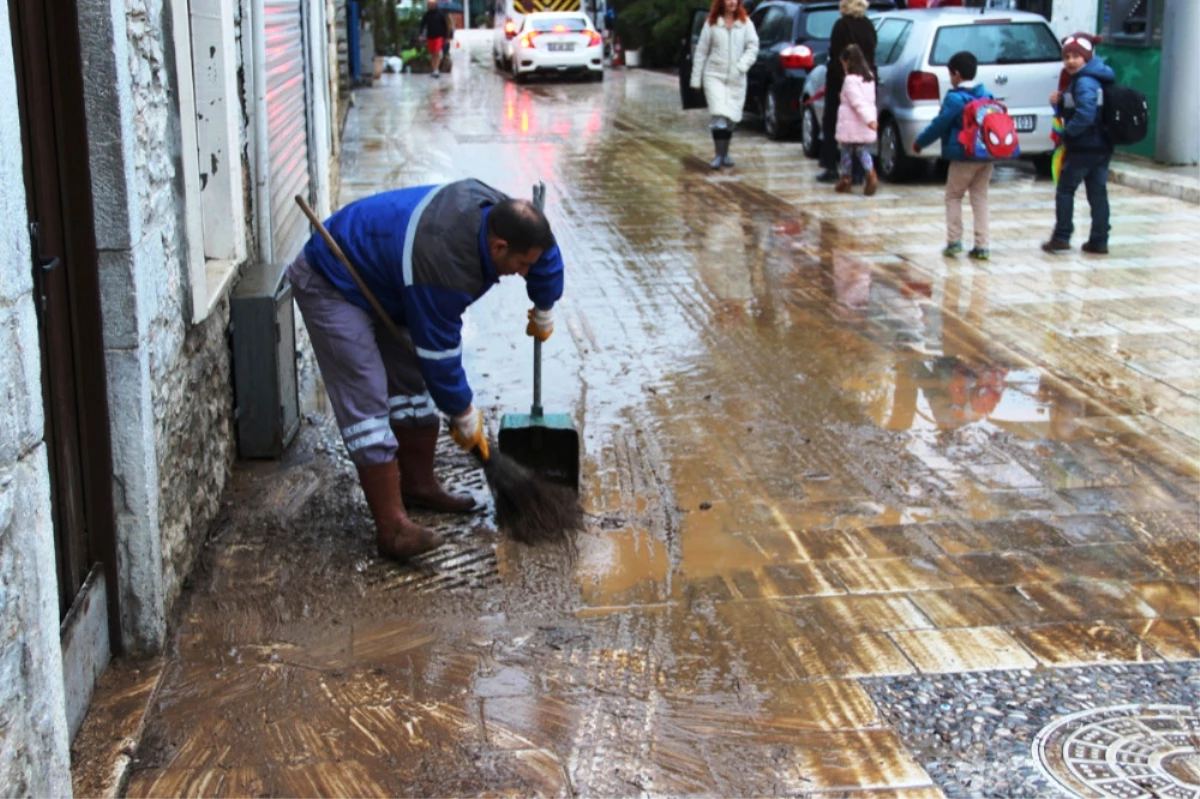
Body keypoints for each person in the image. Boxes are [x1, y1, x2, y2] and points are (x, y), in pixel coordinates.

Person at [287, 180, 564, 561]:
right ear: (498, 248)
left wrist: (545, 305)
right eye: (521, 265)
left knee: (410, 386)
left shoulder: (506, 219)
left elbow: (543, 254)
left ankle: (418, 485)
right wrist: (464, 415)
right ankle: (392, 529)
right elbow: (440, 356)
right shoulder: (445, 264)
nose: (523, 273)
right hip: (334, 279)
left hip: (393, 281)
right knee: (367, 398)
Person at [913, 51, 994, 261]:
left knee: (953, 196)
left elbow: (939, 125)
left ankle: (954, 241)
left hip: (963, 156)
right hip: (986, 155)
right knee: (980, 198)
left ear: (956, 74)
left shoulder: (955, 99)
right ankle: (982, 246)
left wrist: (920, 142)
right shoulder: (987, 95)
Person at [1042, 32, 1114, 255]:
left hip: (1085, 146)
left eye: (1076, 56)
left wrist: (1067, 134)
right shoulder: (1097, 76)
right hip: (1102, 145)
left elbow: (1086, 113)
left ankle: (1062, 236)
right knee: (1098, 193)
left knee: (1065, 189)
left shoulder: (1084, 81)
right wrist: (1063, 100)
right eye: (1067, 57)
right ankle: (1099, 241)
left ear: (1087, 57)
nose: (1071, 61)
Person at [689, 0, 759, 170]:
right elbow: (701, 51)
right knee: (718, 114)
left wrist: (742, 66)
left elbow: (753, 47)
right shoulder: (711, 23)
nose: (732, 2)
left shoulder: (745, 23)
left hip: (736, 78)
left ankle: (725, 153)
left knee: (730, 117)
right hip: (714, 76)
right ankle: (719, 155)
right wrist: (696, 79)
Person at [818, 0, 877, 184]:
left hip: (842, 81)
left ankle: (832, 168)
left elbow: (837, 55)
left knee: (834, 124)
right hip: (866, 80)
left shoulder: (841, 26)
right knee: (860, 125)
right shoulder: (869, 26)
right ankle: (860, 171)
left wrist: (838, 81)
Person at [833, 44, 878, 196]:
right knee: (861, 150)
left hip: (851, 123)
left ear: (848, 62)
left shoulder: (850, 80)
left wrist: (869, 120)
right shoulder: (869, 78)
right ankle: (870, 172)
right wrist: (869, 119)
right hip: (863, 122)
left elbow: (857, 101)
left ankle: (846, 177)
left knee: (846, 150)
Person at [419, 0, 451, 77]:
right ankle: (434, 69)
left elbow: (445, 26)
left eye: (431, 4)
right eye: (429, 4)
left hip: (439, 36)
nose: (430, 6)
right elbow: (422, 24)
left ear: (435, 4)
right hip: (430, 36)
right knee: (432, 53)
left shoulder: (440, 14)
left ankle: (436, 69)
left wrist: (447, 37)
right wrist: (420, 34)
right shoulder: (427, 15)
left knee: (436, 52)